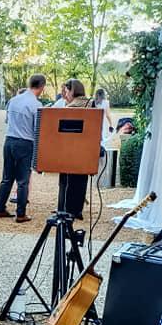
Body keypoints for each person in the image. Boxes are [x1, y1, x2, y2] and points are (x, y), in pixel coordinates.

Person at [0, 74, 45, 223]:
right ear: (41, 87)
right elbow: (37, 129)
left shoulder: (13, 101)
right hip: (25, 142)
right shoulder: (36, 105)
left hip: (9, 140)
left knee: (6, 178)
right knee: (23, 180)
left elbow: (7, 120)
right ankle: (21, 213)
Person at [57, 78, 96, 220]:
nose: (65, 94)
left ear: (72, 91)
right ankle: (77, 209)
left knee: (67, 182)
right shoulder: (91, 104)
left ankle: (66, 209)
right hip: (86, 150)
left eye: (66, 91)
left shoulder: (71, 107)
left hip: (70, 150)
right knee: (81, 181)